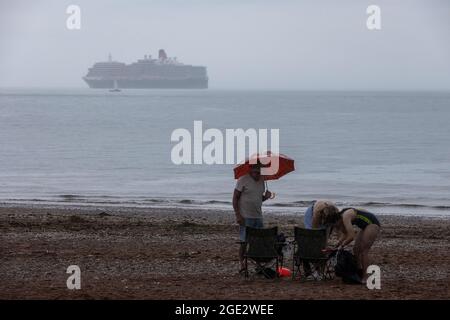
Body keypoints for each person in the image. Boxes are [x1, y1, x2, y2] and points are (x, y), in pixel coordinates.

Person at [232, 164, 272, 273]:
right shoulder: (243, 179)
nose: (256, 173)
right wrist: (238, 215)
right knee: (244, 241)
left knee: (258, 242)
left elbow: (258, 199)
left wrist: (266, 197)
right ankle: (242, 263)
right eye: (254, 171)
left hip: (258, 216)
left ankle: (258, 264)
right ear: (250, 170)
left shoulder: (262, 180)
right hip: (245, 216)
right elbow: (235, 198)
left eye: (258, 171)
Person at [334, 207, 381, 282]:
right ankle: (359, 272)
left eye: (336, 225)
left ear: (338, 220)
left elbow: (351, 236)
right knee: (356, 249)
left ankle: (366, 277)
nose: (337, 227)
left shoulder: (345, 216)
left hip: (372, 224)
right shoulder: (341, 219)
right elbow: (345, 234)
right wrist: (337, 244)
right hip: (364, 227)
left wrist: (342, 246)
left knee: (364, 251)